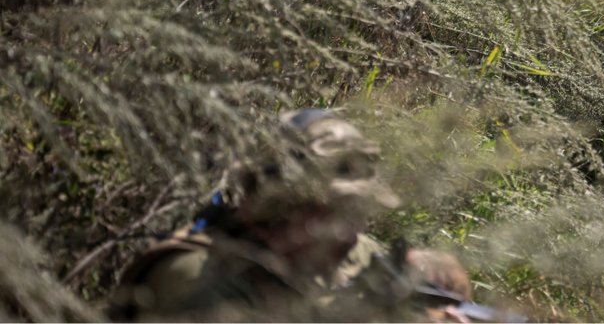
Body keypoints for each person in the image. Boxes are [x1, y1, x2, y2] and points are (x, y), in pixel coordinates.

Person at [108, 109, 476, 322]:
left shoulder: (347, 253)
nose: (353, 233)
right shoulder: (195, 280)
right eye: (338, 213)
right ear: (278, 208)